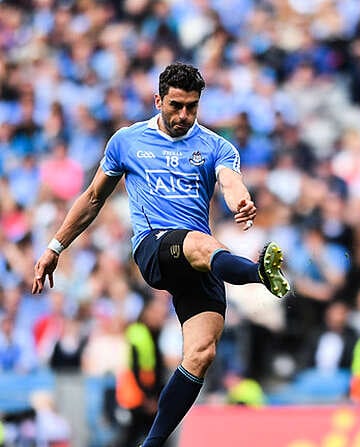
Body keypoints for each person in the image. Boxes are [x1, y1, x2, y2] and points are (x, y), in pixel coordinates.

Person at [31, 62, 290, 447]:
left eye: (192, 107)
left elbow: (231, 181)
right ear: (158, 101)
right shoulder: (127, 142)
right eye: (176, 106)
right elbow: (92, 198)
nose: (184, 115)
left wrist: (241, 202)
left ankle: (151, 444)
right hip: (155, 249)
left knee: (201, 353)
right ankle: (258, 274)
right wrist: (56, 246)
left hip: (198, 259)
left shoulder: (216, 146)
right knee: (202, 243)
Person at [116, 297, 168, 447]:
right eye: (155, 312)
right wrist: (148, 397)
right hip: (137, 393)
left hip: (145, 393)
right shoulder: (138, 333)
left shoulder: (153, 333)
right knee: (132, 435)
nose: (159, 317)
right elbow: (136, 367)